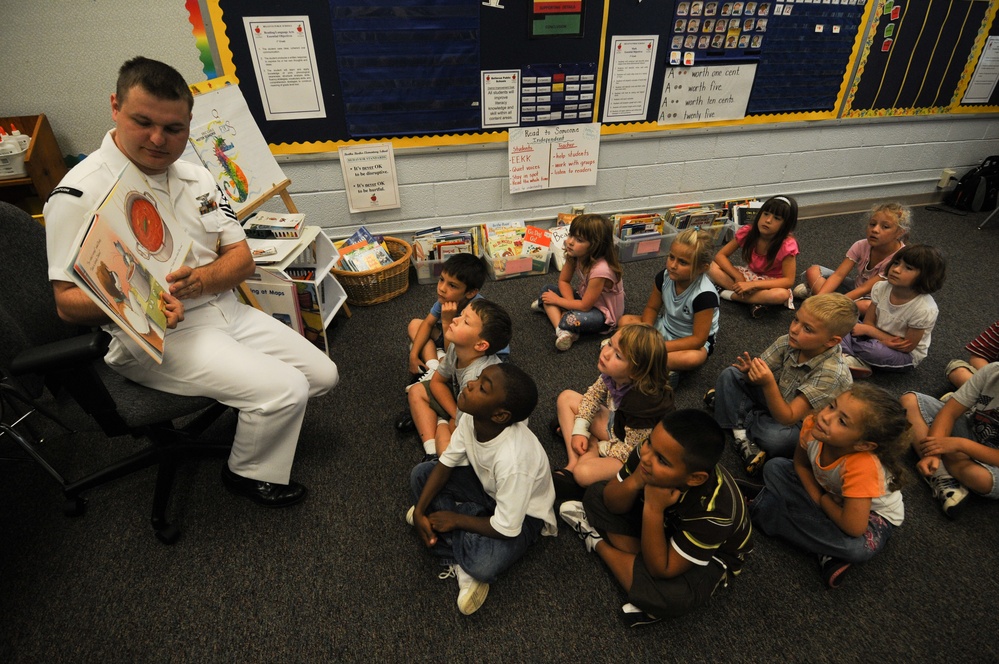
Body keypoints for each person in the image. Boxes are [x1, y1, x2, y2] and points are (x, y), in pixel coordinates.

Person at [43, 57, 338, 507]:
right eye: (143, 122)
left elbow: (240, 260)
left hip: (222, 308)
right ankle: (247, 473)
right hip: (155, 336)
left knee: (322, 375)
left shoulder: (198, 176)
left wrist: (199, 281)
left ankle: (258, 411)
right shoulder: (80, 193)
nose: (159, 140)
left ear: (189, 124)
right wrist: (148, 303)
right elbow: (67, 303)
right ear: (115, 107)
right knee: (287, 389)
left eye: (174, 128)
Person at [559, 410, 752, 627]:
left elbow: (662, 569)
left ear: (695, 478)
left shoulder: (716, 511)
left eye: (662, 460)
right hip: (667, 524)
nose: (647, 458)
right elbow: (611, 500)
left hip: (711, 557)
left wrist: (653, 507)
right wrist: (636, 480)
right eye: (650, 443)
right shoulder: (648, 453)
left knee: (673, 597)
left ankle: (597, 542)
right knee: (597, 494)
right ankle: (641, 582)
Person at [408, 363, 557, 615]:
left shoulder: (513, 459)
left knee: (482, 565)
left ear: (499, 415)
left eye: (482, 388)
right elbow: (445, 463)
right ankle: (457, 526)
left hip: (524, 518)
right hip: (488, 489)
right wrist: (422, 509)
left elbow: (507, 528)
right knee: (421, 474)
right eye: (477, 378)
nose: (470, 384)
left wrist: (456, 519)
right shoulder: (471, 417)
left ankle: (457, 551)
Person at [744, 384, 909, 588]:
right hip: (828, 493)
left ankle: (766, 510)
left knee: (855, 548)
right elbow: (801, 465)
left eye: (842, 421)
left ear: (863, 445)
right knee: (775, 468)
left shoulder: (863, 466)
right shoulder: (814, 425)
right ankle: (824, 549)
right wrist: (819, 498)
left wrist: (823, 501)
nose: (825, 416)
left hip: (869, 518)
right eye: (831, 406)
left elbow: (854, 527)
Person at [706, 293, 857, 476]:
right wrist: (749, 372)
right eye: (795, 320)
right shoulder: (789, 340)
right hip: (779, 400)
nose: (794, 329)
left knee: (777, 440)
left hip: (798, 423)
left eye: (807, 329)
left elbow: (788, 417)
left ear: (831, 341)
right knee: (732, 374)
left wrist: (768, 383)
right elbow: (757, 375)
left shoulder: (831, 373)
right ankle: (740, 430)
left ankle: (732, 412)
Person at [552, 324, 674, 501]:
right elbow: (592, 396)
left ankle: (590, 450)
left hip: (635, 452)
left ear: (636, 371)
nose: (606, 353)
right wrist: (580, 429)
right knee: (566, 398)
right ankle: (572, 463)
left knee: (583, 473)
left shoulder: (641, 403)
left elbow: (633, 450)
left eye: (618, 355)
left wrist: (600, 446)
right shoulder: (612, 373)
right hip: (617, 426)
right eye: (610, 344)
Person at [400, 298, 511, 459]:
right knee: (416, 392)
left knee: (450, 444)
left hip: (478, 419)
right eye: (461, 315)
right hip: (461, 404)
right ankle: (431, 452)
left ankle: (438, 421)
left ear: (480, 345)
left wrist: (454, 419)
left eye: (465, 321)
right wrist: (454, 413)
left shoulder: (478, 377)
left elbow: (468, 425)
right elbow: (438, 381)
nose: (455, 319)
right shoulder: (455, 346)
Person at [901, 361, 999, 519]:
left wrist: (961, 445)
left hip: (992, 461)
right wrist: (933, 453)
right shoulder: (993, 370)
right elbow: (950, 412)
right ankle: (940, 472)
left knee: (981, 479)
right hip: (972, 430)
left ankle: (943, 467)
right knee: (909, 401)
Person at [619, 228, 720, 379]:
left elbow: (698, 339)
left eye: (683, 262)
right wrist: (646, 334)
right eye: (671, 257)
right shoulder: (664, 277)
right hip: (665, 327)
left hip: (689, 342)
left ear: (702, 268)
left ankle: (639, 358)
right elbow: (652, 308)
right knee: (624, 321)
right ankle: (655, 364)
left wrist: (658, 347)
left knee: (693, 358)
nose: (673, 265)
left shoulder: (705, 296)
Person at [839, 244, 945, 378]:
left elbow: (906, 346)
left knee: (875, 350)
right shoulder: (881, 287)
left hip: (903, 354)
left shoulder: (924, 308)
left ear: (926, 276)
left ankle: (844, 354)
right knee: (840, 321)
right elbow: (868, 322)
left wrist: (871, 334)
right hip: (874, 336)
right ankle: (850, 357)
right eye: (896, 263)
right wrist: (869, 332)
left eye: (908, 268)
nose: (896, 270)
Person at [795, 202, 910, 317]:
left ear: (899, 232)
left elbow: (865, 289)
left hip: (875, 299)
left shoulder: (898, 259)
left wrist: (833, 303)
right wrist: (819, 300)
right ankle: (829, 305)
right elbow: (839, 275)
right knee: (813, 271)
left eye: (885, 227)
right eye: (872, 224)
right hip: (855, 288)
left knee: (865, 307)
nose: (875, 230)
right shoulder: (861, 245)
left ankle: (828, 305)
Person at [531, 213, 624, 351]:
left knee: (570, 318)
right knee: (547, 289)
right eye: (571, 235)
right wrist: (568, 303)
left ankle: (558, 319)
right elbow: (564, 281)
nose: (570, 242)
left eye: (579, 239)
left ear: (595, 245)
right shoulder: (574, 254)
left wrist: (558, 302)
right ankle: (562, 331)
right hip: (584, 298)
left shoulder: (601, 271)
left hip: (603, 314)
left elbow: (585, 306)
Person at [405, 253, 490, 388]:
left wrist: (447, 322)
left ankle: (437, 363)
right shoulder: (446, 298)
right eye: (441, 279)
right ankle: (434, 367)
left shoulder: (476, 311)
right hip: (451, 338)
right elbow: (427, 323)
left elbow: (456, 352)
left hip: (471, 350)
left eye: (452, 285)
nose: (442, 288)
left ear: (471, 292)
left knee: (452, 360)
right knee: (415, 324)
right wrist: (413, 356)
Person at [707, 195, 799, 318]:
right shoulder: (748, 232)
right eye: (766, 214)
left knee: (781, 295)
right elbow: (720, 255)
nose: (768, 220)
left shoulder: (787, 245)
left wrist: (753, 285)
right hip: (748, 275)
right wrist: (738, 276)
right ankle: (754, 301)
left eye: (776, 218)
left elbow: (788, 281)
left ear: (785, 225)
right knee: (710, 266)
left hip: (770, 284)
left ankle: (727, 294)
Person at [945, 320, 999, 390]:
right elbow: (978, 357)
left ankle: (973, 398)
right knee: (957, 369)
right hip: (992, 379)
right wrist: (992, 377)